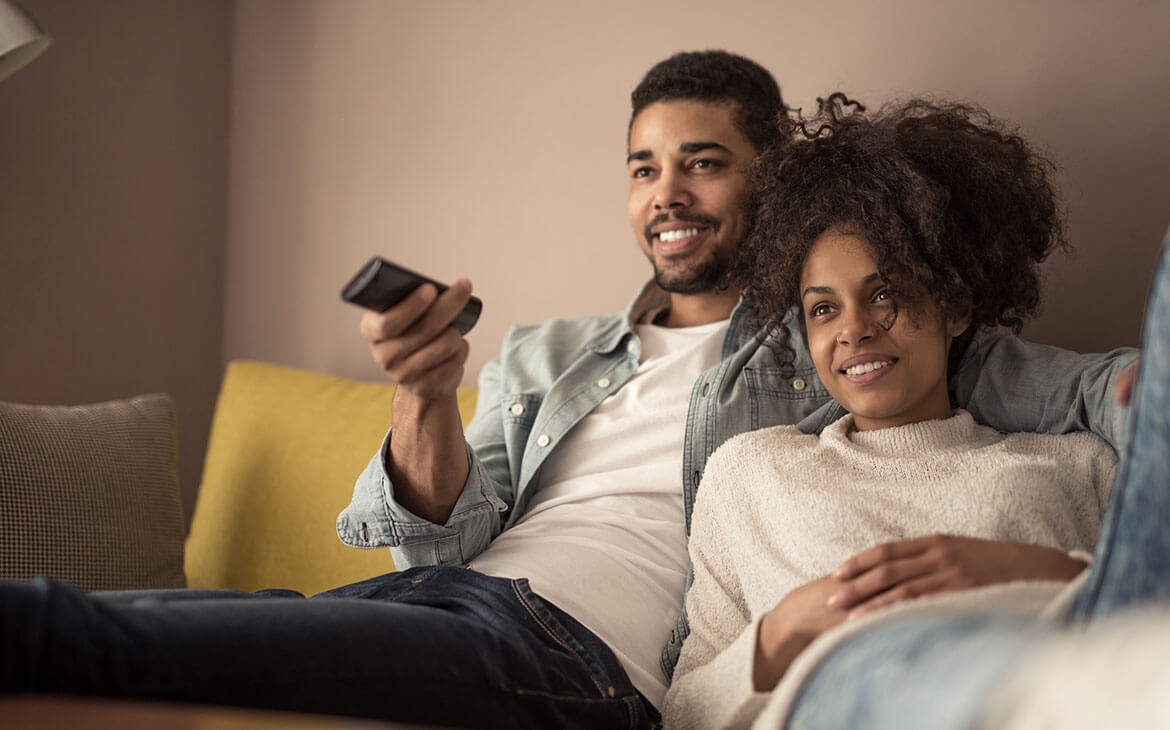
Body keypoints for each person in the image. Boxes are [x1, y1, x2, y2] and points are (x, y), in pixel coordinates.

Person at [0, 54, 1136, 729]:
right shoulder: (549, 355)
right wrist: (425, 395)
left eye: (702, 160)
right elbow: (433, 542)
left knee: (84, 636)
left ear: (771, 173)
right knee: (129, 625)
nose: (666, 192)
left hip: (579, 660)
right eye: (644, 166)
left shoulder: (832, 335)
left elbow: (1096, 400)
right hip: (455, 609)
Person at [662, 96, 1161, 730]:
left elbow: (1145, 614)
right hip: (851, 688)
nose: (854, 330)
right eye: (823, 309)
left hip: (1060, 679)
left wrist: (1029, 570)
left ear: (955, 309)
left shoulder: (1078, 463)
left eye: (885, 294)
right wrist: (782, 633)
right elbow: (682, 713)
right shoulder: (750, 473)